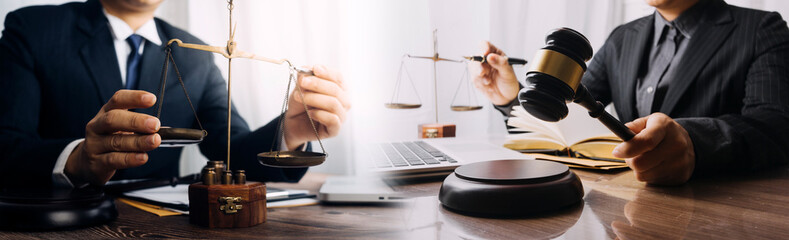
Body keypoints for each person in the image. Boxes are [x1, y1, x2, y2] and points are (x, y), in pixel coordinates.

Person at [0, 0, 350, 188]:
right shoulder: (34, 29)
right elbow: (7, 146)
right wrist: (77, 160)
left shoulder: (195, 54)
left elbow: (232, 149)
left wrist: (292, 132)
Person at [473, 0, 789, 185]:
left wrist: (694, 143)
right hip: (629, 204)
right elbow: (568, 124)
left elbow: (776, 125)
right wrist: (510, 98)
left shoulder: (762, 29)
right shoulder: (623, 38)